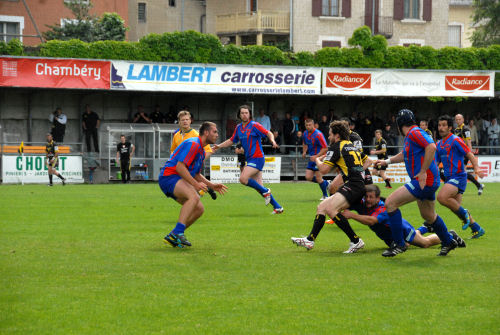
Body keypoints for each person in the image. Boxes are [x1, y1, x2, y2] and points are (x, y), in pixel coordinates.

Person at [375, 109, 460, 257]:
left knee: (390, 203)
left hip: (424, 181)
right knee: (428, 215)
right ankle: (448, 241)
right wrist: (386, 161)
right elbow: (404, 154)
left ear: (399, 123)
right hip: (428, 181)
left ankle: (399, 244)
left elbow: (431, 147)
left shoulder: (415, 132)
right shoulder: (412, 135)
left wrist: (422, 171)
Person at [291, 121, 366, 253]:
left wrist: (318, 160)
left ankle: (356, 241)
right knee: (321, 207)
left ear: (337, 135)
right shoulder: (349, 144)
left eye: (330, 134)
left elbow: (324, 170)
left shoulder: (337, 146)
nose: (328, 137)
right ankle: (310, 240)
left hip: (353, 185)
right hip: (356, 183)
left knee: (331, 209)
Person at [159, 122, 228, 248]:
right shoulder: (193, 144)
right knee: (194, 197)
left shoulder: (201, 150)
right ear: (206, 132)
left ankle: (174, 235)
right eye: (215, 132)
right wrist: (196, 185)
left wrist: (211, 185)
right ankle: (178, 233)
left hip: (176, 178)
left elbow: (195, 173)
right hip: (169, 177)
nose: (217, 135)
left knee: (199, 209)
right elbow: (180, 167)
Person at [342, 184, 466, 250]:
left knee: (424, 243)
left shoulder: (382, 207)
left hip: (402, 229)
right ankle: (425, 228)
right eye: (366, 197)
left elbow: (372, 220)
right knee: (407, 245)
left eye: (371, 197)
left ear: (378, 198)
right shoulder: (363, 203)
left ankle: (449, 235)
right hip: (388, 237)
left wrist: (351, 215)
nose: (368, 200)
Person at [424, 115, 486, 239]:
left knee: (442, 197)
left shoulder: (456, 140)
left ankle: (464, 215)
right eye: (439, 125)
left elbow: (469, 153)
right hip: (449, 179)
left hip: (459, 176)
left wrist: (476, 168)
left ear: (450, 127)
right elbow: (434, 163)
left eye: (444, 125)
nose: (441, 128)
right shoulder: (439, 144)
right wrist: (425, 173)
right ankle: (477, 228)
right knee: (456, 208)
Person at [213, 105, 283, 214]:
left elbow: (268, 132)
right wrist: (219, 146)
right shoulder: (238, 128)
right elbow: (232, 140)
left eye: (246, 112)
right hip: (250, 159)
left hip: (258, 158)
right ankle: (278, 207)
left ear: (250, 114)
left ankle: (266, 192)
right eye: (242, 113)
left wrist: (273, 141)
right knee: (259, 188)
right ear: (239, 115)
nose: (244, 115)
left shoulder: (254, 125)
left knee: (243, 179)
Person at [170, 110, 217, 200]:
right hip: (182, 165)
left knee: (192, 190)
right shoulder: (176, 135)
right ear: (179, 122)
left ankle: (202, 193)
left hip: (193, 165)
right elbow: (173, 150)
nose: (185, 121)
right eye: (183, 120)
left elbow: (208, 150)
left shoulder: (196, 135)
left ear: (190, 121)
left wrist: (198, 161)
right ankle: (208, 189)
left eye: (187, 119)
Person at [454, 113, 484, 195]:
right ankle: (478, 185)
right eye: (456, 119)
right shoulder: (456, 130)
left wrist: (470, 154)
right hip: (458, 154)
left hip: (464, 153)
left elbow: (468, 142)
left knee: (461, 171)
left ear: (463, 120)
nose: (458, 121)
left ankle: (460, 189)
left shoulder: (465, 129)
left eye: (459, 119)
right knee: (461, 171)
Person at [302, 118, 329, 200]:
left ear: (313, 125)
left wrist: (317, 156)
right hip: (312, 158)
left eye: (310, 125)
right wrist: (304, 151)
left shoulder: (318, 134)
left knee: (318, 178)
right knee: (308, 177)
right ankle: (326, 183)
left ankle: (325, 196)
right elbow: (304, 143)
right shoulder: (305, 133)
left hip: (319, 158)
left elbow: (325, 148)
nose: (308, 126)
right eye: (306, 125)